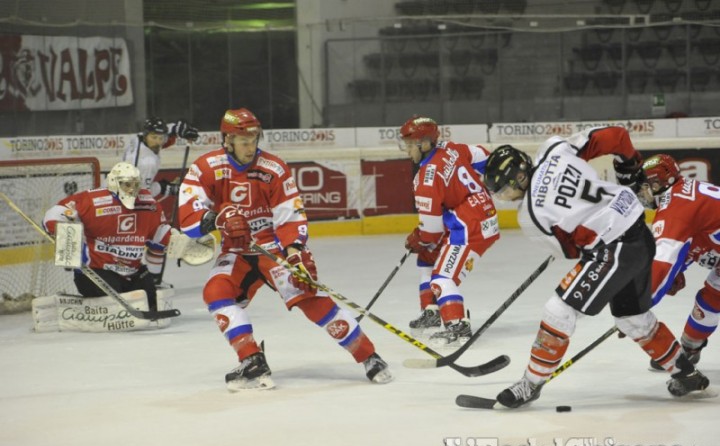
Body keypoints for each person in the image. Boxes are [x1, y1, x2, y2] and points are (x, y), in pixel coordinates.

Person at [482, 126, 709, 408]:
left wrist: (572, 230)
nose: (505, 196)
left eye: (504, 189)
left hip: (616, 249)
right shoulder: (553, 149)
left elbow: (570, 250)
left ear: (518, 175)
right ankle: (685, 373)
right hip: (640, 234)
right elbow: (617, 137)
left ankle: (531, 383)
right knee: (631, 318)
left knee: (559, 310)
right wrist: (628, 167)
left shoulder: (530, 216)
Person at [177, 108, 392, 391]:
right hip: (236, 251)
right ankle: (252, 359)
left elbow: (289, 216)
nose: (250, 146)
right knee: (216, 292)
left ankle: (369, 357)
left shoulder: (273, 168)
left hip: (272, 248)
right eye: (244, 140)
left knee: (309, 298)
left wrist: (295, 252)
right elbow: (188, 217)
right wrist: (215, 219)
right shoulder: (206, 167)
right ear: (227, 140)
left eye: (254, 139)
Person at [399, 115, 500, 345]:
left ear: (424, 144)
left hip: (468, 227)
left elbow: (432, 232)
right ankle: (432, 312)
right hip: (478, 216)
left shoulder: (425, 180)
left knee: (443, 277)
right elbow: (484, 156)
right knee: (427, 255)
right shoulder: (451, 148)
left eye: (409, 144)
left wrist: (418, 237)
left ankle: (457, 326)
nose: (406, 149)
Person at [42, 162, 172, 311]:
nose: (132, 190)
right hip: (95, 272)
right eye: (126, 184)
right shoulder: (92, 201)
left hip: (132, 271)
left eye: (135, 184)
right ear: (114, 184)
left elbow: (159, 235)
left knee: (151, 300)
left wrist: (177, 243)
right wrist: (61, 229)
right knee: (115, 301)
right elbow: (54, 214)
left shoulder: (148, 203)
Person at [638, 154, 720, 369]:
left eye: (645, 186)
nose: (641, 193)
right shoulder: (685, 190)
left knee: (714, 295)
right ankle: (690, 348)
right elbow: (697, 237)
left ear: (658, 183)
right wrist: (679, 267)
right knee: (712, 294)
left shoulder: (673, 210)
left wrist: (637, 306)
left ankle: (690, 348)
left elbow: (662, 263)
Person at [123, 116, 199, 199]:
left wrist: (178, 129)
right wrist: (165, 187)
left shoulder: (138, 139)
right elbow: (141, 194)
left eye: (161, 138)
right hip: (124, 201)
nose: (157, 142)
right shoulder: (147, 163)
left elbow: (161, 133)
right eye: (154, 137)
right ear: (145, 136)